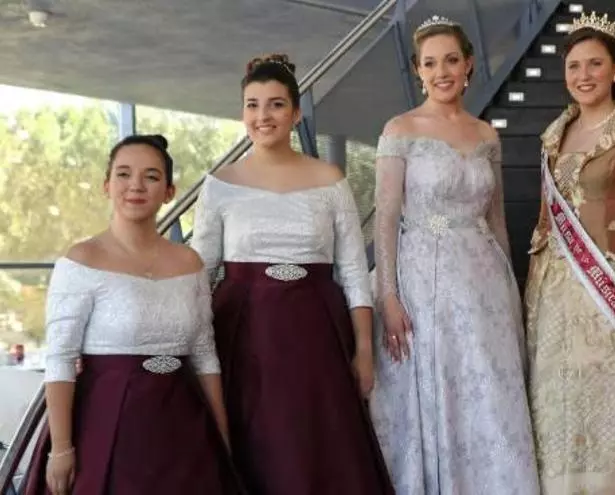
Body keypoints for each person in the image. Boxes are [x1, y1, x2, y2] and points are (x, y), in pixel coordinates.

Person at [190, 54, 393, 495]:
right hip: (244, 333)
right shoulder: (220, 183)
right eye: (253, 105)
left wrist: (364, 350)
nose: (263, 116)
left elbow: (353, 270)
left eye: (276, 104)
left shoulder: (329, 179)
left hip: (316, 331)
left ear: (296, 113)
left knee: (316, 446)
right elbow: (200, 274)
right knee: (258, 446)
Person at [368, 15, 540, 495]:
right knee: (438, 381)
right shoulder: (400, 129)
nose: (441, 71)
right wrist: (388, 295)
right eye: (429, 63)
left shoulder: (486, 135)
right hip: (424, 277)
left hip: (484, 278)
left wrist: (511, 291)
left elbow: (497, 219)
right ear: (417, 71)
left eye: (450, 60)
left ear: (468, 64)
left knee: (488, 385)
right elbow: (385, 219)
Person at [23, 134, 241, 495]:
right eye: (123, 174)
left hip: (183, 425)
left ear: (169, 191)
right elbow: (60, 359)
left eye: (151, 176)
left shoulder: (189, 262)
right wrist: (61, 449)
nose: (136, 185)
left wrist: (222, 436)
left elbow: (205, 356)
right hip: (107, 421)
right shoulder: (81, 260)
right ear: (106, 186)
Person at [523, 11, 615, 494]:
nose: (583, 75)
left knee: (611, 405)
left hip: (610, 287)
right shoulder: (555, 133)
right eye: (574, 66)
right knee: (557, 408)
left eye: (595, 64)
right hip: (554, 294)